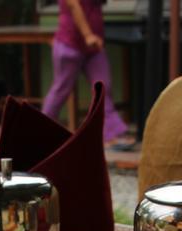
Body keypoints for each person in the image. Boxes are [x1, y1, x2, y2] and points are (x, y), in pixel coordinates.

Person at [41, 0, 130, 145]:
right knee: (61, 90)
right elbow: (73, 5)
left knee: (103, 88)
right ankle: (40, 131)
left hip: (94, 47)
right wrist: (88, 35)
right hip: (70, 43)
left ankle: (113, 134)